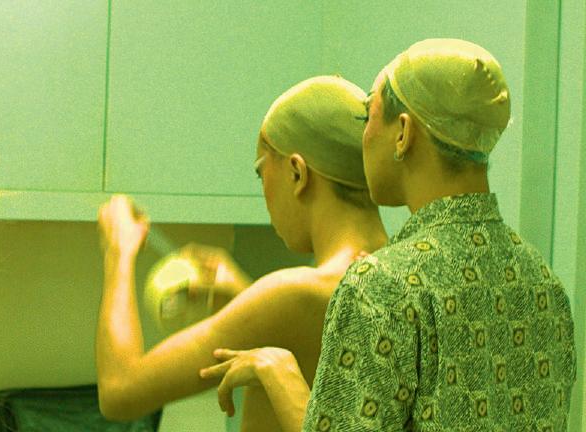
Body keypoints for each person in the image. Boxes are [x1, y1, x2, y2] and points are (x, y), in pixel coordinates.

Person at [201, 39, 577, 431]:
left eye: (368, 115)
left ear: (403, 132)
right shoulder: (543, 284)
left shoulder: (381, 286)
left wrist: (278, 371)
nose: (363, 137)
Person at [96, 75, 388, 431]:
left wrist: (118, 251)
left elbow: (120, 390)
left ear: (297, 173)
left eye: (261, 172)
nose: (264, 191)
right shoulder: (396, 273)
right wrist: (246, 297)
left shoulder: (297, 294)